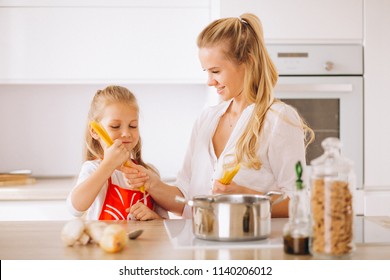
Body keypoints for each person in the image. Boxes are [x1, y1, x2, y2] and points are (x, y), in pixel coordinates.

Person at [122, 13, 314, 218]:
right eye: (206, 71)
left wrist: (247, 197)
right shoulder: (207, 119)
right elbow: (186, 200)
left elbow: (299, 201)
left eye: (216, 71)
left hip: (253, 247)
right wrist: (151, 183)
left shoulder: (278, 119)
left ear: (247, 62)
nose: (210, 81)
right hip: (199, 246)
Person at [66, 85, 168, 220]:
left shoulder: (149, 173)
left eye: (132, 126)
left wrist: (153, 217)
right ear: (95, 131)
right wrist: (108, 165)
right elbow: (75, 209)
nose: (126, 133)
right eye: (115, 126)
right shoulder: (93, 169)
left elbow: (165, 225)